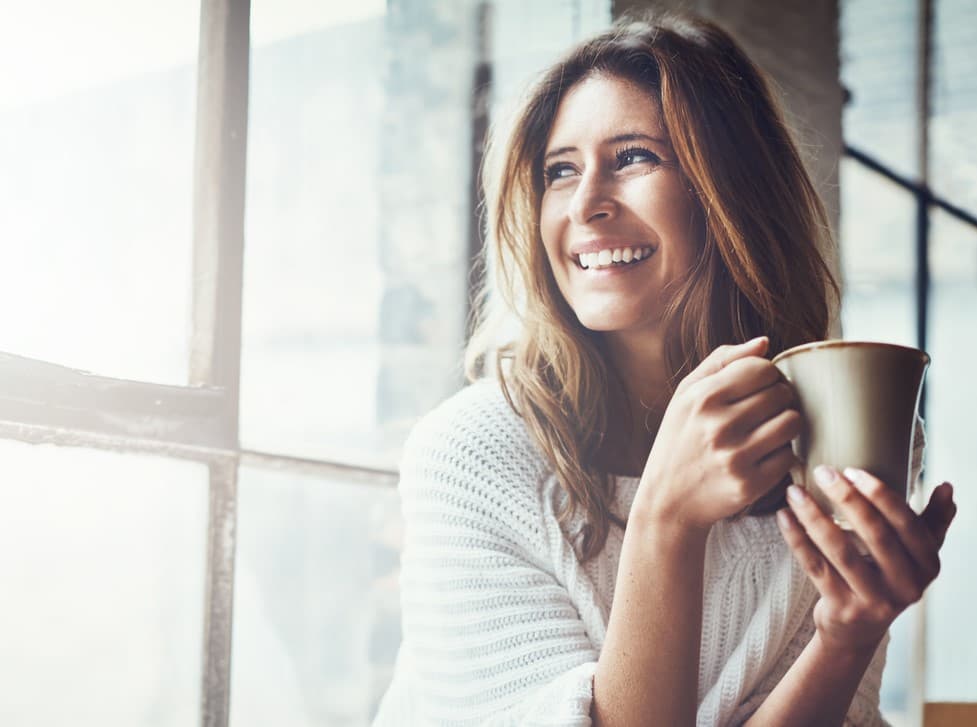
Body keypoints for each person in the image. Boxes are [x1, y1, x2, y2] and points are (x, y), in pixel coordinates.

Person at [373, 12, 956, 727]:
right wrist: (665, 516)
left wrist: (846, 634)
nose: (585, 204)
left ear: (730, 191)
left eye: (633, 158)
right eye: (560, 171)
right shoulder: (469, 453)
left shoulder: (835, 439)